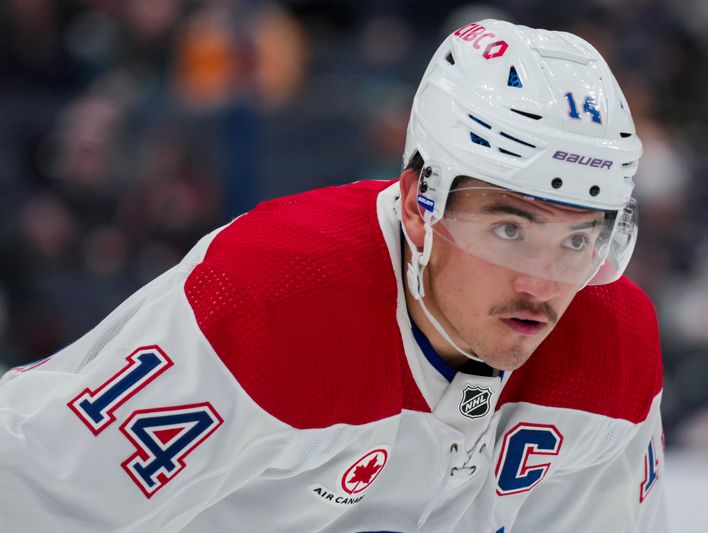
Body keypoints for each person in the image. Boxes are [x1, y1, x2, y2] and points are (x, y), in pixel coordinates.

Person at [0, 19, 666, 532]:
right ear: (417, 205)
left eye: (579, 238)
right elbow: (34, 495)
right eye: (509, 230)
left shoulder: (613, 345)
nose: (544, 284)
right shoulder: (275, 299)